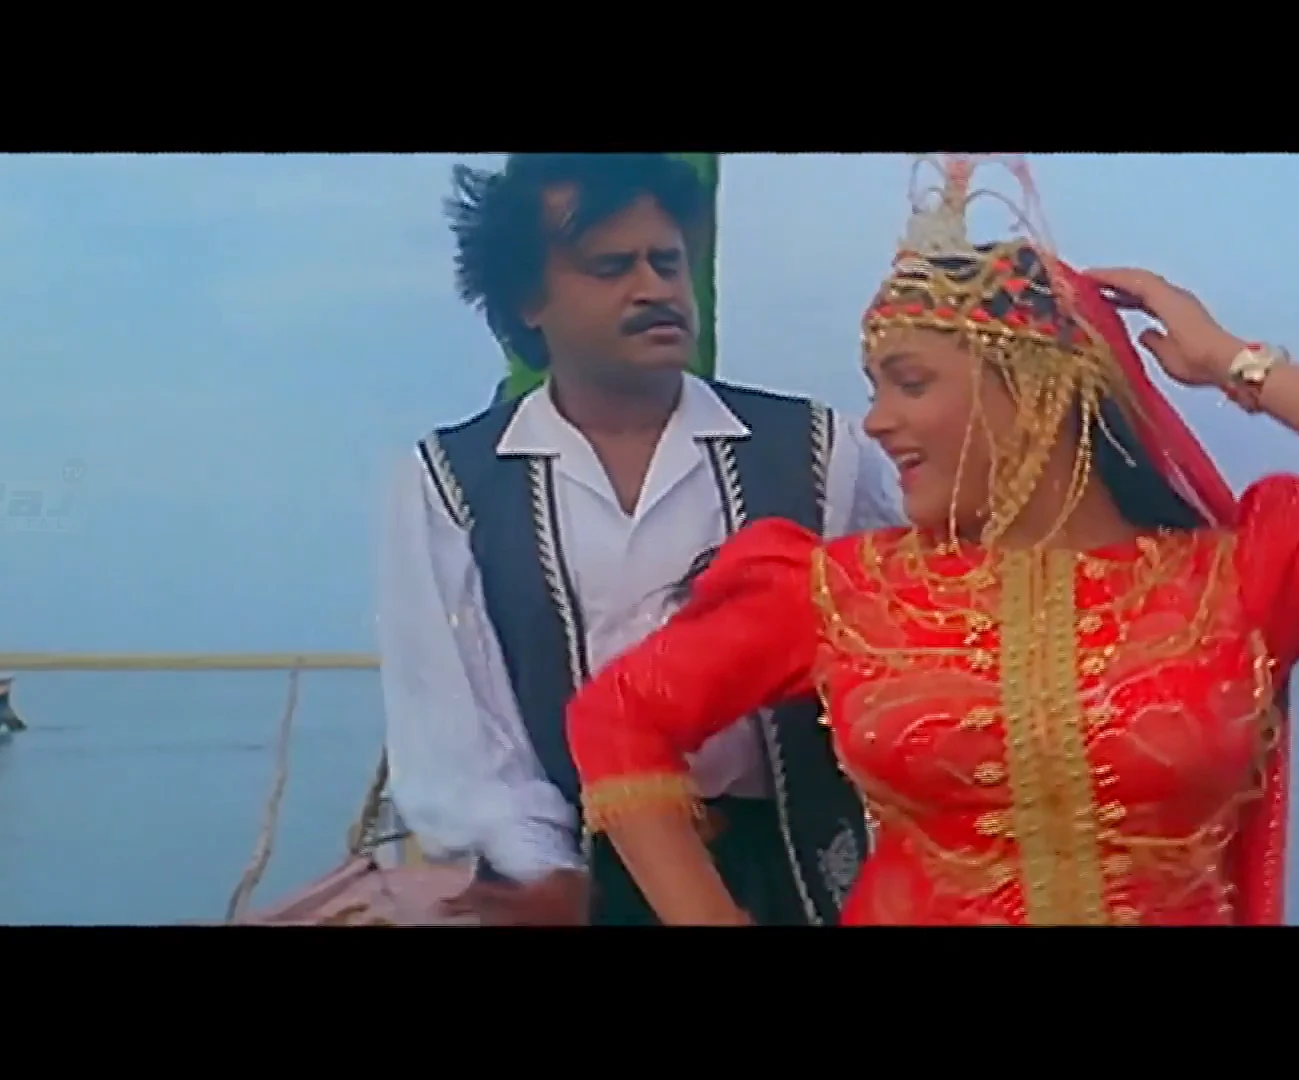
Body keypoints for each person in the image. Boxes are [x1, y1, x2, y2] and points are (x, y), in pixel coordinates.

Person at [563, 154, 1299, 926]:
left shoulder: (1236, 580)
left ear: (1035, 388)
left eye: (910, 383)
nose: (879, 422)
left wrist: (1233, 362)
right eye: (875, 389)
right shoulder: (845, 594)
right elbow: (618, 717)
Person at [380, 153, 906, 926]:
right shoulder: (450, 481)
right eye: (611, 267)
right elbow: (455, 723)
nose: (654, 288)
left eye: (666, 262)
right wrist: (542, 867)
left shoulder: (821, 451)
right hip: (572, 884)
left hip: (792, 874)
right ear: (528, 300)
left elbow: (899, 655)